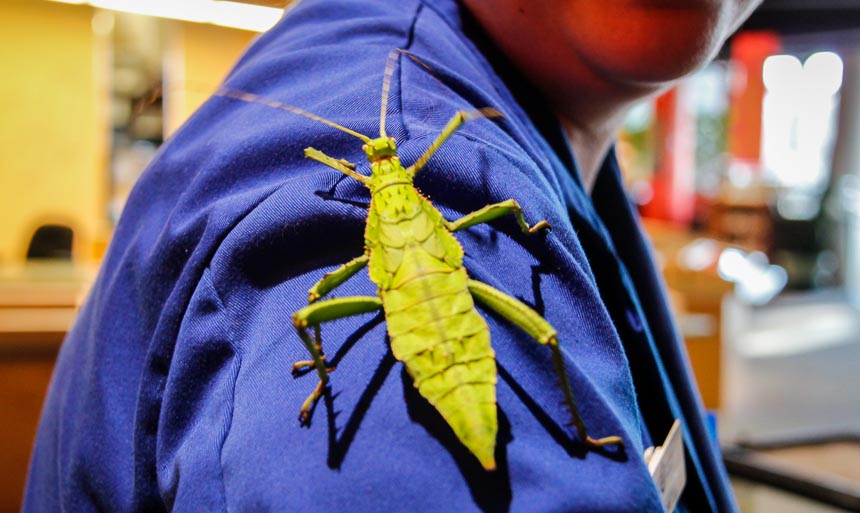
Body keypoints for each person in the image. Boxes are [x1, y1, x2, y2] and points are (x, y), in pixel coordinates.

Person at [25, 0, 760, 511]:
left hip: (436, 322)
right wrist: (314, 378)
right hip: (435, 342)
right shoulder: (389, 153)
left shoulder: (501, 109)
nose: (381, 153)